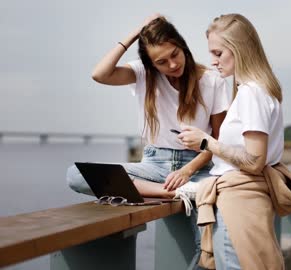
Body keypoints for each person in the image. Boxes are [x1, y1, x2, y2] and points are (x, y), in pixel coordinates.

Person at [66, 14, 229, 269]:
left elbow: (219, 140)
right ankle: (174, 194)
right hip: (155, 168)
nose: (172, 65)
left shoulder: (212, 80)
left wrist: (188, 170)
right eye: (161, 62)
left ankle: (186, 191)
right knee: (75, 175)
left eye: (175, 54)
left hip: (197, 169)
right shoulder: (144, 73)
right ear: (151, 64)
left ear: (182, 45)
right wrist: (134, 34)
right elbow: (99, 74)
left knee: (207, 249)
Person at [179, 13, 291, 270]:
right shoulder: (259, 90)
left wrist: (206, 142)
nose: (213, 62)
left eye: (218, 53)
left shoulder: (251, 93)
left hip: (238, 204)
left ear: (239, 49)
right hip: (247, 200)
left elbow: (254, 160)